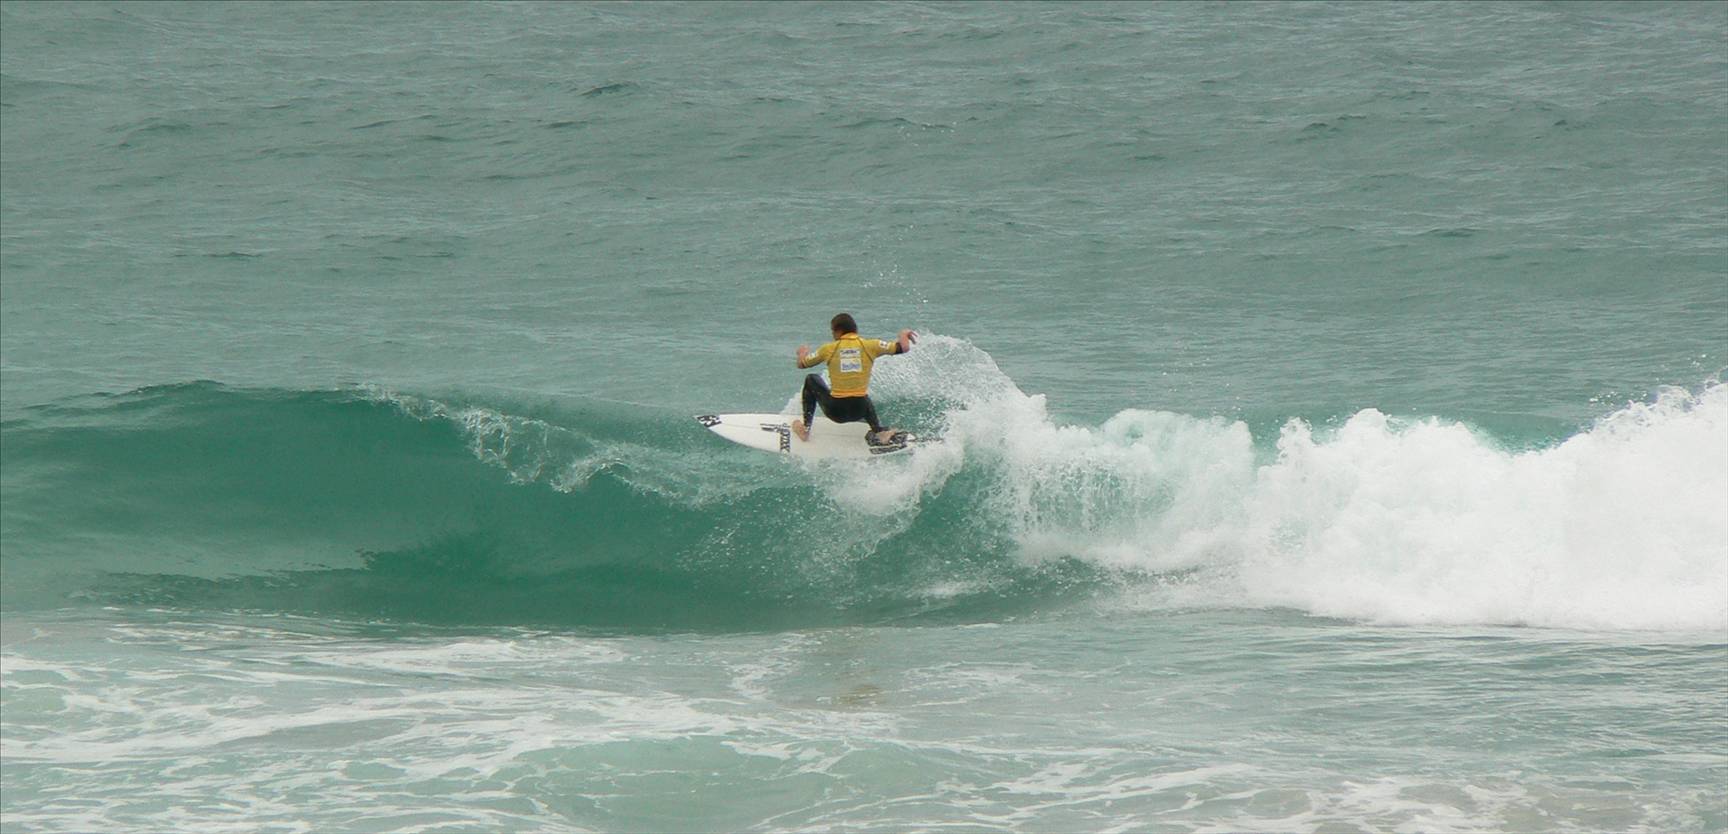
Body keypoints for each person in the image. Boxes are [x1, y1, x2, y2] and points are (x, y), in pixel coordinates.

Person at [793, 313, 916, 444]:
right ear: (855, 329)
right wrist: (904, 333)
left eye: (832, 331)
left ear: (838, 331)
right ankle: (879, 431)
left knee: (811, 379)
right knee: (861, 393)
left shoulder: (828, 349)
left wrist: (802, 353)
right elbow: (903, 347)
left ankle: (805, 429)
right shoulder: (871, 345)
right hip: (860, 409)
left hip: (836, 412)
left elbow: (802, 364)